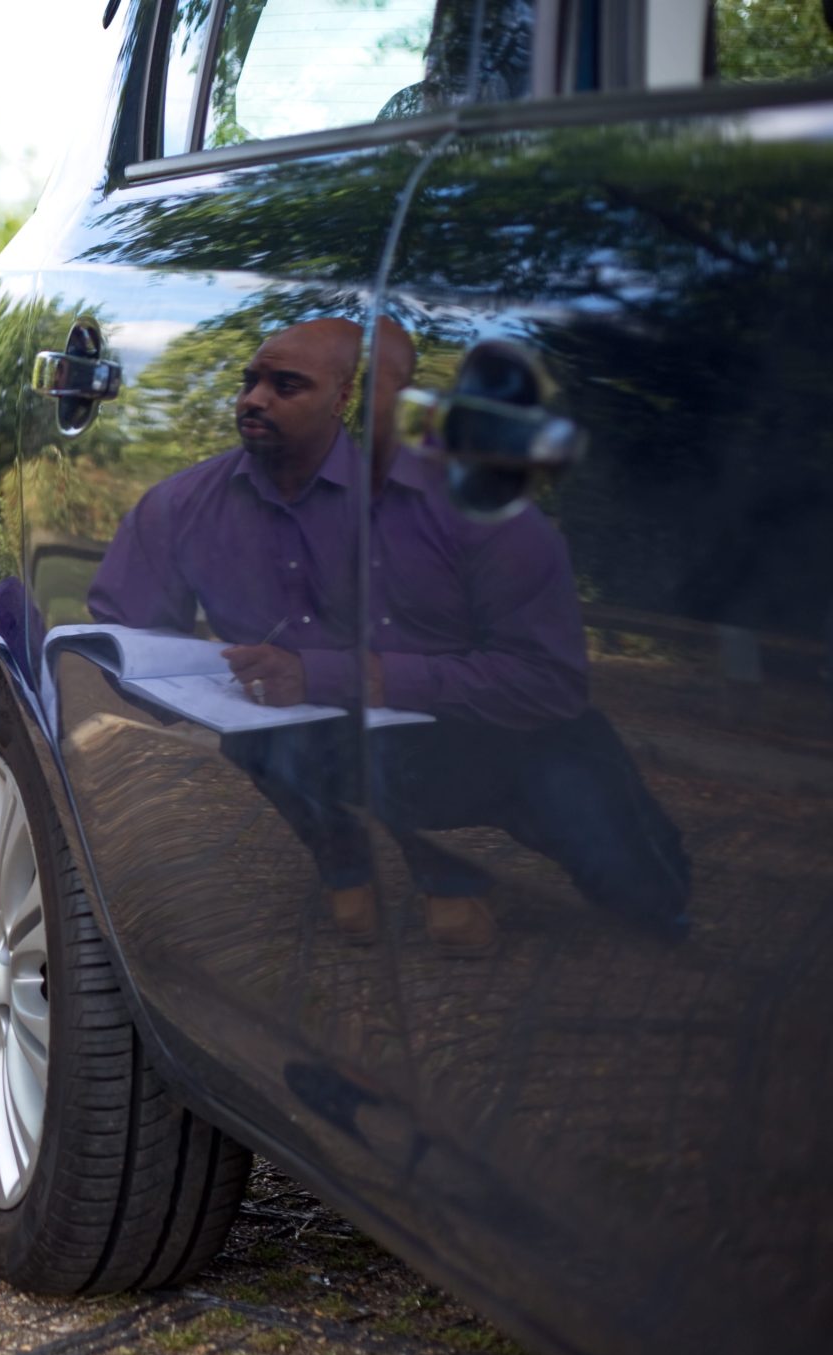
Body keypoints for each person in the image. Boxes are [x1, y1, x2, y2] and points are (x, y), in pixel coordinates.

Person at [88, 318, 689, 951]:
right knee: (263, 738)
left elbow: (550, 682)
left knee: (652, 908)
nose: (253, 399)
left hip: (494, 738)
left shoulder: (466, 506)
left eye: (285, 385)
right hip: (317, 744)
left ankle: (458, 872)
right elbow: (122, 627)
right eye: (251, 381)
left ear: (345, 397)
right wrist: (177, 682)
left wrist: (334, 675)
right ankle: (353, 871)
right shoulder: (184, 504)